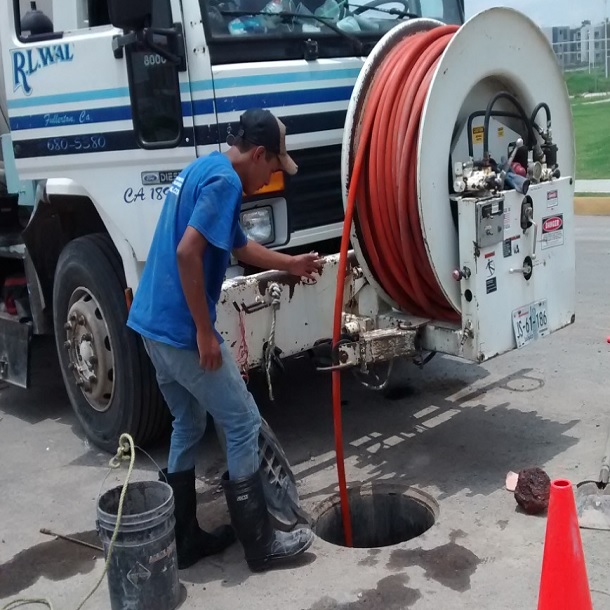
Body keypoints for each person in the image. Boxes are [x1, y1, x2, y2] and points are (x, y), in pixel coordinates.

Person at [127, 108, 322, 572]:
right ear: (258, 154)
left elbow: (236, 245)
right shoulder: (227, 183)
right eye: (273, 167)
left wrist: (289, 264)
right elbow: (187, 253)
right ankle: (261, 546)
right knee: (239, 423)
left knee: (187, 424)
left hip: (150, 326)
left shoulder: (205, 166)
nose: (272, 176)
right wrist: (202, 330)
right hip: (180, 332)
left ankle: (185, 538)